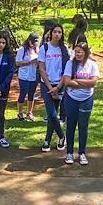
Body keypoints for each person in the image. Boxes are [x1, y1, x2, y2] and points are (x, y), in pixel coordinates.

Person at [61, 42, 99, 165]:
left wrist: (76, 80)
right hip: (71, 98)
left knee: (83, 126)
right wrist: (85, 82)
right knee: (71, 125)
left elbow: (93, 83)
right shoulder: (70, 64)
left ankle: (82, 153)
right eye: (76, 51)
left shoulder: (92, 65)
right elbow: (67, 82)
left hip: (86, 99)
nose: (77, 54)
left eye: (80, 52)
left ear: (85, 52)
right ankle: (69, 153)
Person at [37, 23, 69, 152]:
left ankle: (47, 141)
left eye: (59, 32)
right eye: (55, 32)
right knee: (51, 112)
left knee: (53, 115)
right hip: (46, 84)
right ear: (50, 33)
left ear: (62, 34)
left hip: (60, 85)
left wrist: (58, 87)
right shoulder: (44, 48)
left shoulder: (65, 49)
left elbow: (67, 70)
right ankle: (62, 136)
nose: (57, 34)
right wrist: (50, 87)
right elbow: (41, 69)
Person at [15, 33, 40, 122]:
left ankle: (29, 112)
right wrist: (29, 62)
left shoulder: (37, 50)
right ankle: (20, 112)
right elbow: (17, 63)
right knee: (23, 93)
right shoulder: (22, 50)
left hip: (33, 75)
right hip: (24, 76)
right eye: (33, 43)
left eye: (36, 43)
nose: (34, 45)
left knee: (31, 94)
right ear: (29, 41)